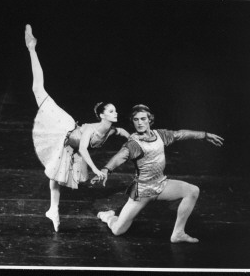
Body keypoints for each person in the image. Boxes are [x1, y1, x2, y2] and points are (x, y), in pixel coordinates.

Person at [25, 24, 130, 232]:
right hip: (63, 128)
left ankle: (53, 210)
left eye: (115, 111)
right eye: (111, 111)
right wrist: (95, 169)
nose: (115, 113)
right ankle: (31, 48)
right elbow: (83, 149)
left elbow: (125, 133)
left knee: (56, 175)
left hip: (70, 147)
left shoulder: (112, 130)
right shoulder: (91, 129)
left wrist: (137, 139)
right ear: (102, 115)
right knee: (37, 89)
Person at [93, 104, 224, 243]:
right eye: (136, 120)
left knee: (192, 191)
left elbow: (180, 134)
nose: (140, 122)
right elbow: (120, 156)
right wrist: (106, 170)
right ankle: (107, 216)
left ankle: (178, 233)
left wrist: (204, 135)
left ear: (150, 120)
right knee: (118, 231)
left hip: (161, 185)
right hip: (142, 192)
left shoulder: (160, 135)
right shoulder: (133, 143)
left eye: (143, 119)